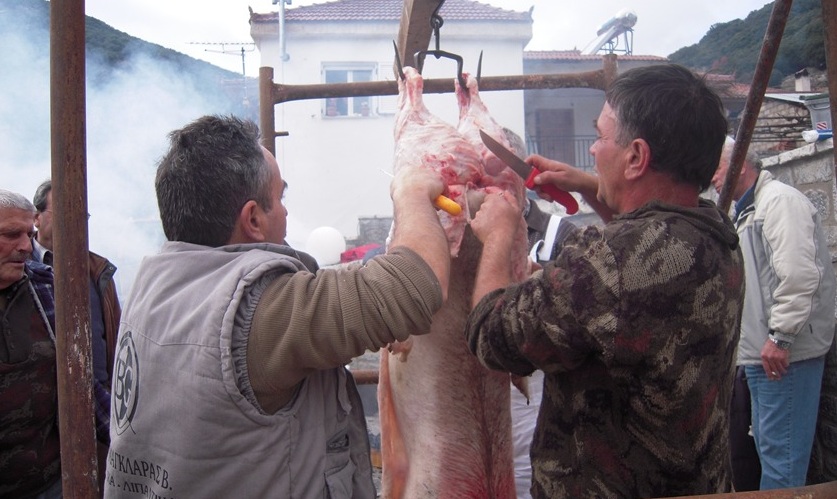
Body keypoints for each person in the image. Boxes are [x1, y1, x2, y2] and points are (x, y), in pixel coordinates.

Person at [105, 115, 450, 498]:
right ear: (253, 218)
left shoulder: (156, 284)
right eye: (280, 198)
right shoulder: (255, 310)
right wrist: (411, 193)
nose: (286, 212)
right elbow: (419, 282)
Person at [465, 63, 744, 498]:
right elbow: (644, 252)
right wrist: (590, 186)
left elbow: (491, 335)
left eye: (599, 137)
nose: (592, 150)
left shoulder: (609, 262)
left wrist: (500, 236)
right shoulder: (716, 234)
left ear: (636, 157)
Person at [712, 137, 836, 489]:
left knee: (781, 465)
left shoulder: (779, 202)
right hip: (761, 355)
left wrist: (781, 337)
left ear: (740, 164)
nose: (712, 177)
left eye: (717, 167)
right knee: (770, 454)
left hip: (783, 356)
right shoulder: (748, 210)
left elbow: (799, 275)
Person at [31, 180, 120, 447]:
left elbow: (114, 335)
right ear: (36, 218)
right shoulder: (18, 269)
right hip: (43, 421)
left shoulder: (98, 270)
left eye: (82, 215)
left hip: (102, 406)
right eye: (62, 212)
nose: (74, 221)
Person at [0, 189, 62, 498]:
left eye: (28, 234)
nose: (26, 246)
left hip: (49, 481)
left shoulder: (44, 286)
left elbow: (78, 379)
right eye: (11, 235)